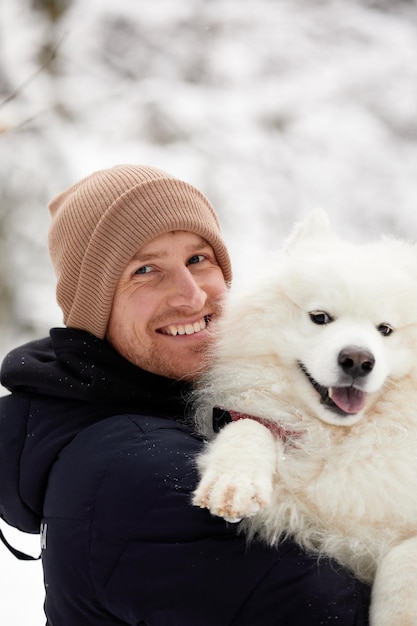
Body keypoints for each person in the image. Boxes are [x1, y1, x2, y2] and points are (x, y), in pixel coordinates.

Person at [0, 164, 370, 625]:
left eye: (199, 259)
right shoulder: (138, 471)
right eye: (146, 270)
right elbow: (332, 612)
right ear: (94, 307)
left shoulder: (196, 411)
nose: (191, 296)